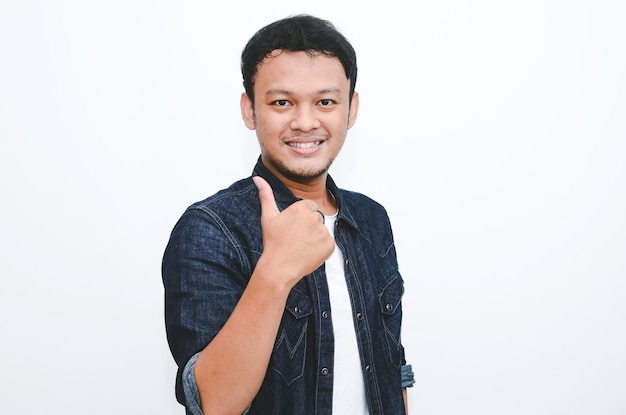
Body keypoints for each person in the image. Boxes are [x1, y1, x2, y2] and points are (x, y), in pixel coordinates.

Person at [162, 14, 414, 414]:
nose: (305, 122)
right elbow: (214, 403)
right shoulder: (210, 229)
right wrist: (274, 270)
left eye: (325, 102)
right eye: (282, 102)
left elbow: (391, 363)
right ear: (250, 110)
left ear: (351, 109)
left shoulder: (371, 219)